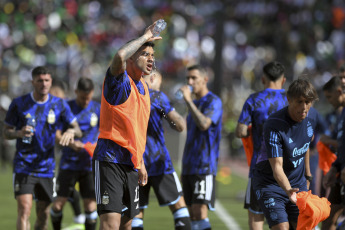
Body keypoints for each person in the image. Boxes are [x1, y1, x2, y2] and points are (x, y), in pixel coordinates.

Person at [92, 21, 162, 230]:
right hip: (110, 160)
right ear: (132, 57)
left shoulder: (144, 89)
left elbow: (137, 131)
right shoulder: (119, 84)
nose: (151, 59)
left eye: (152, 55)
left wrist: (140, 162)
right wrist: (143, 37)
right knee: (110, 224)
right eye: (144, 54)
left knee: (127, 225)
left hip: (131, 164)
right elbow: (119, 57)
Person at [3, 66, 82, 230]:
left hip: (46, 167)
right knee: (24, 208)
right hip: (23, 165)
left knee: (43, 214)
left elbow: (77, 129)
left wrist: (70, 131)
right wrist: (18, 133)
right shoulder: (19, 104)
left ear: (51, 81)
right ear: (33, 82)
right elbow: (6, 132)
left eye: (47, 80)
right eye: (40, 80)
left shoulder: (59, 104)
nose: (44, 84)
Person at [252, 78, 319, 230]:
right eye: (299, 101)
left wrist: (308, 175)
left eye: (308, 102)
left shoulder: (311, 118)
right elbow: (277, 167)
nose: (304, 107)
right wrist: (288, 190)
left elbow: (306, 143)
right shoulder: (274, 124)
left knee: (304, 227)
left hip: (297, 183)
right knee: (282, 227)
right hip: (270, 184)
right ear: (289, 99)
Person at [131, 70, 191, 230]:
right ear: (153, 78)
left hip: (135, 161)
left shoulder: (130, 95)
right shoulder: (157, 96)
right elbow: (179, 125)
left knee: (136, 213)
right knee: (180, 208)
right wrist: (175, 118)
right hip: (158, 161)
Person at [235, 61, 287, 230]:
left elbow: (241, 131)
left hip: (260, 167)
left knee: (256, 215)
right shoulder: (291, 99)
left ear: (263, 79)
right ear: (283, 80)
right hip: (288, 168)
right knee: (285, 217)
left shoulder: (254, 99)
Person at [50, 77, 100, 230]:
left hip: (89, 165)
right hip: (69, 163)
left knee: (91, 206)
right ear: (76, 92)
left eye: (88, 97)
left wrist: (94, 146)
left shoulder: (97, 109)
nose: (86, 101)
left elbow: (105, 133)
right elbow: (57, 136)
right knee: (58, 205)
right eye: (82, 97)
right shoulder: (66, 108)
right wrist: (71, 144)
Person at [179, 64, 223, 230]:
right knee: (191, 215)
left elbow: (204, 124)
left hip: (204, 166)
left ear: (205, 79)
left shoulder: (213, 101)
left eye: (194, 78)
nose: (190, 82)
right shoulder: (194, 104)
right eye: (188, 78)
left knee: (199, 212)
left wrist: (189, 101)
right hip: (189, 166)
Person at [50, 78, 86, 225]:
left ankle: (79, 217)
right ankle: (79, 217)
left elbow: (75, 129)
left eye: (55, 93)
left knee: (65, 191)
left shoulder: (65, 108)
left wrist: (71, 134)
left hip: (72, 158)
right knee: (61, 193)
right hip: (56, 155)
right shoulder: (52, 107)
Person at [321, 76, 345, 230]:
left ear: (338, 91)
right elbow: (342, 144)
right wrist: (335, 167)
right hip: (340, 174)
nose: (329, 101)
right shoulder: (341, 113)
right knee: (328, 218)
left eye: (329, 97)